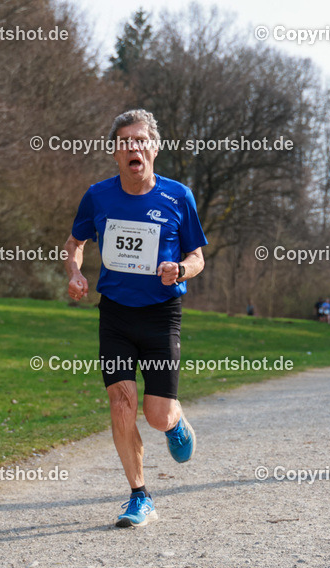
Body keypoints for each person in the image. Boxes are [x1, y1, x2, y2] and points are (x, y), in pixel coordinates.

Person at [63, 109, 207, 528]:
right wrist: (75, 271)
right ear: (115, 152)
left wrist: (180, 269)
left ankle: (176, 422)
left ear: (154, 148)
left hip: (161, 315)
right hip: (116, 315)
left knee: (156, 414)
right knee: (121, 403)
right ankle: (139, 495)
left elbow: (197, 256)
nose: (133, 147)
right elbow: (75, 241)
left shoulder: (179, 196)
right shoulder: (98, 196)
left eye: (141, 140)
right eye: (125, 142)